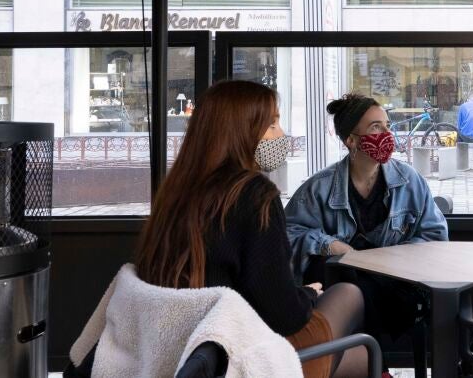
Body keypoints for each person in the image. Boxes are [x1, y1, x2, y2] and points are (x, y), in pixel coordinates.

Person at [134, 80, 367, 378]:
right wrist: (308, 295)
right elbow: (284, 316)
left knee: (360, 357)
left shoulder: (175, 191)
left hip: (190, 355)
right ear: (239, 132)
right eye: (272, 125)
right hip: (242, 355)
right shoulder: (255, 195)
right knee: (349, 294)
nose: (281, 134)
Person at [286, 93, 448, 340]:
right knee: (341, 276)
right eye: (375, 127)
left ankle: (340, 353)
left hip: (396, 285)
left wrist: (392, 258)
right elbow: (287, 235)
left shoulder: (409, 181)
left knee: (368, 288)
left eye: (387, 126)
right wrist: (330, 245)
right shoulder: (318, 188)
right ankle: (364, 357)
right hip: (340, 286)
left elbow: (435, 236)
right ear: (351, 140)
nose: (387, 134)